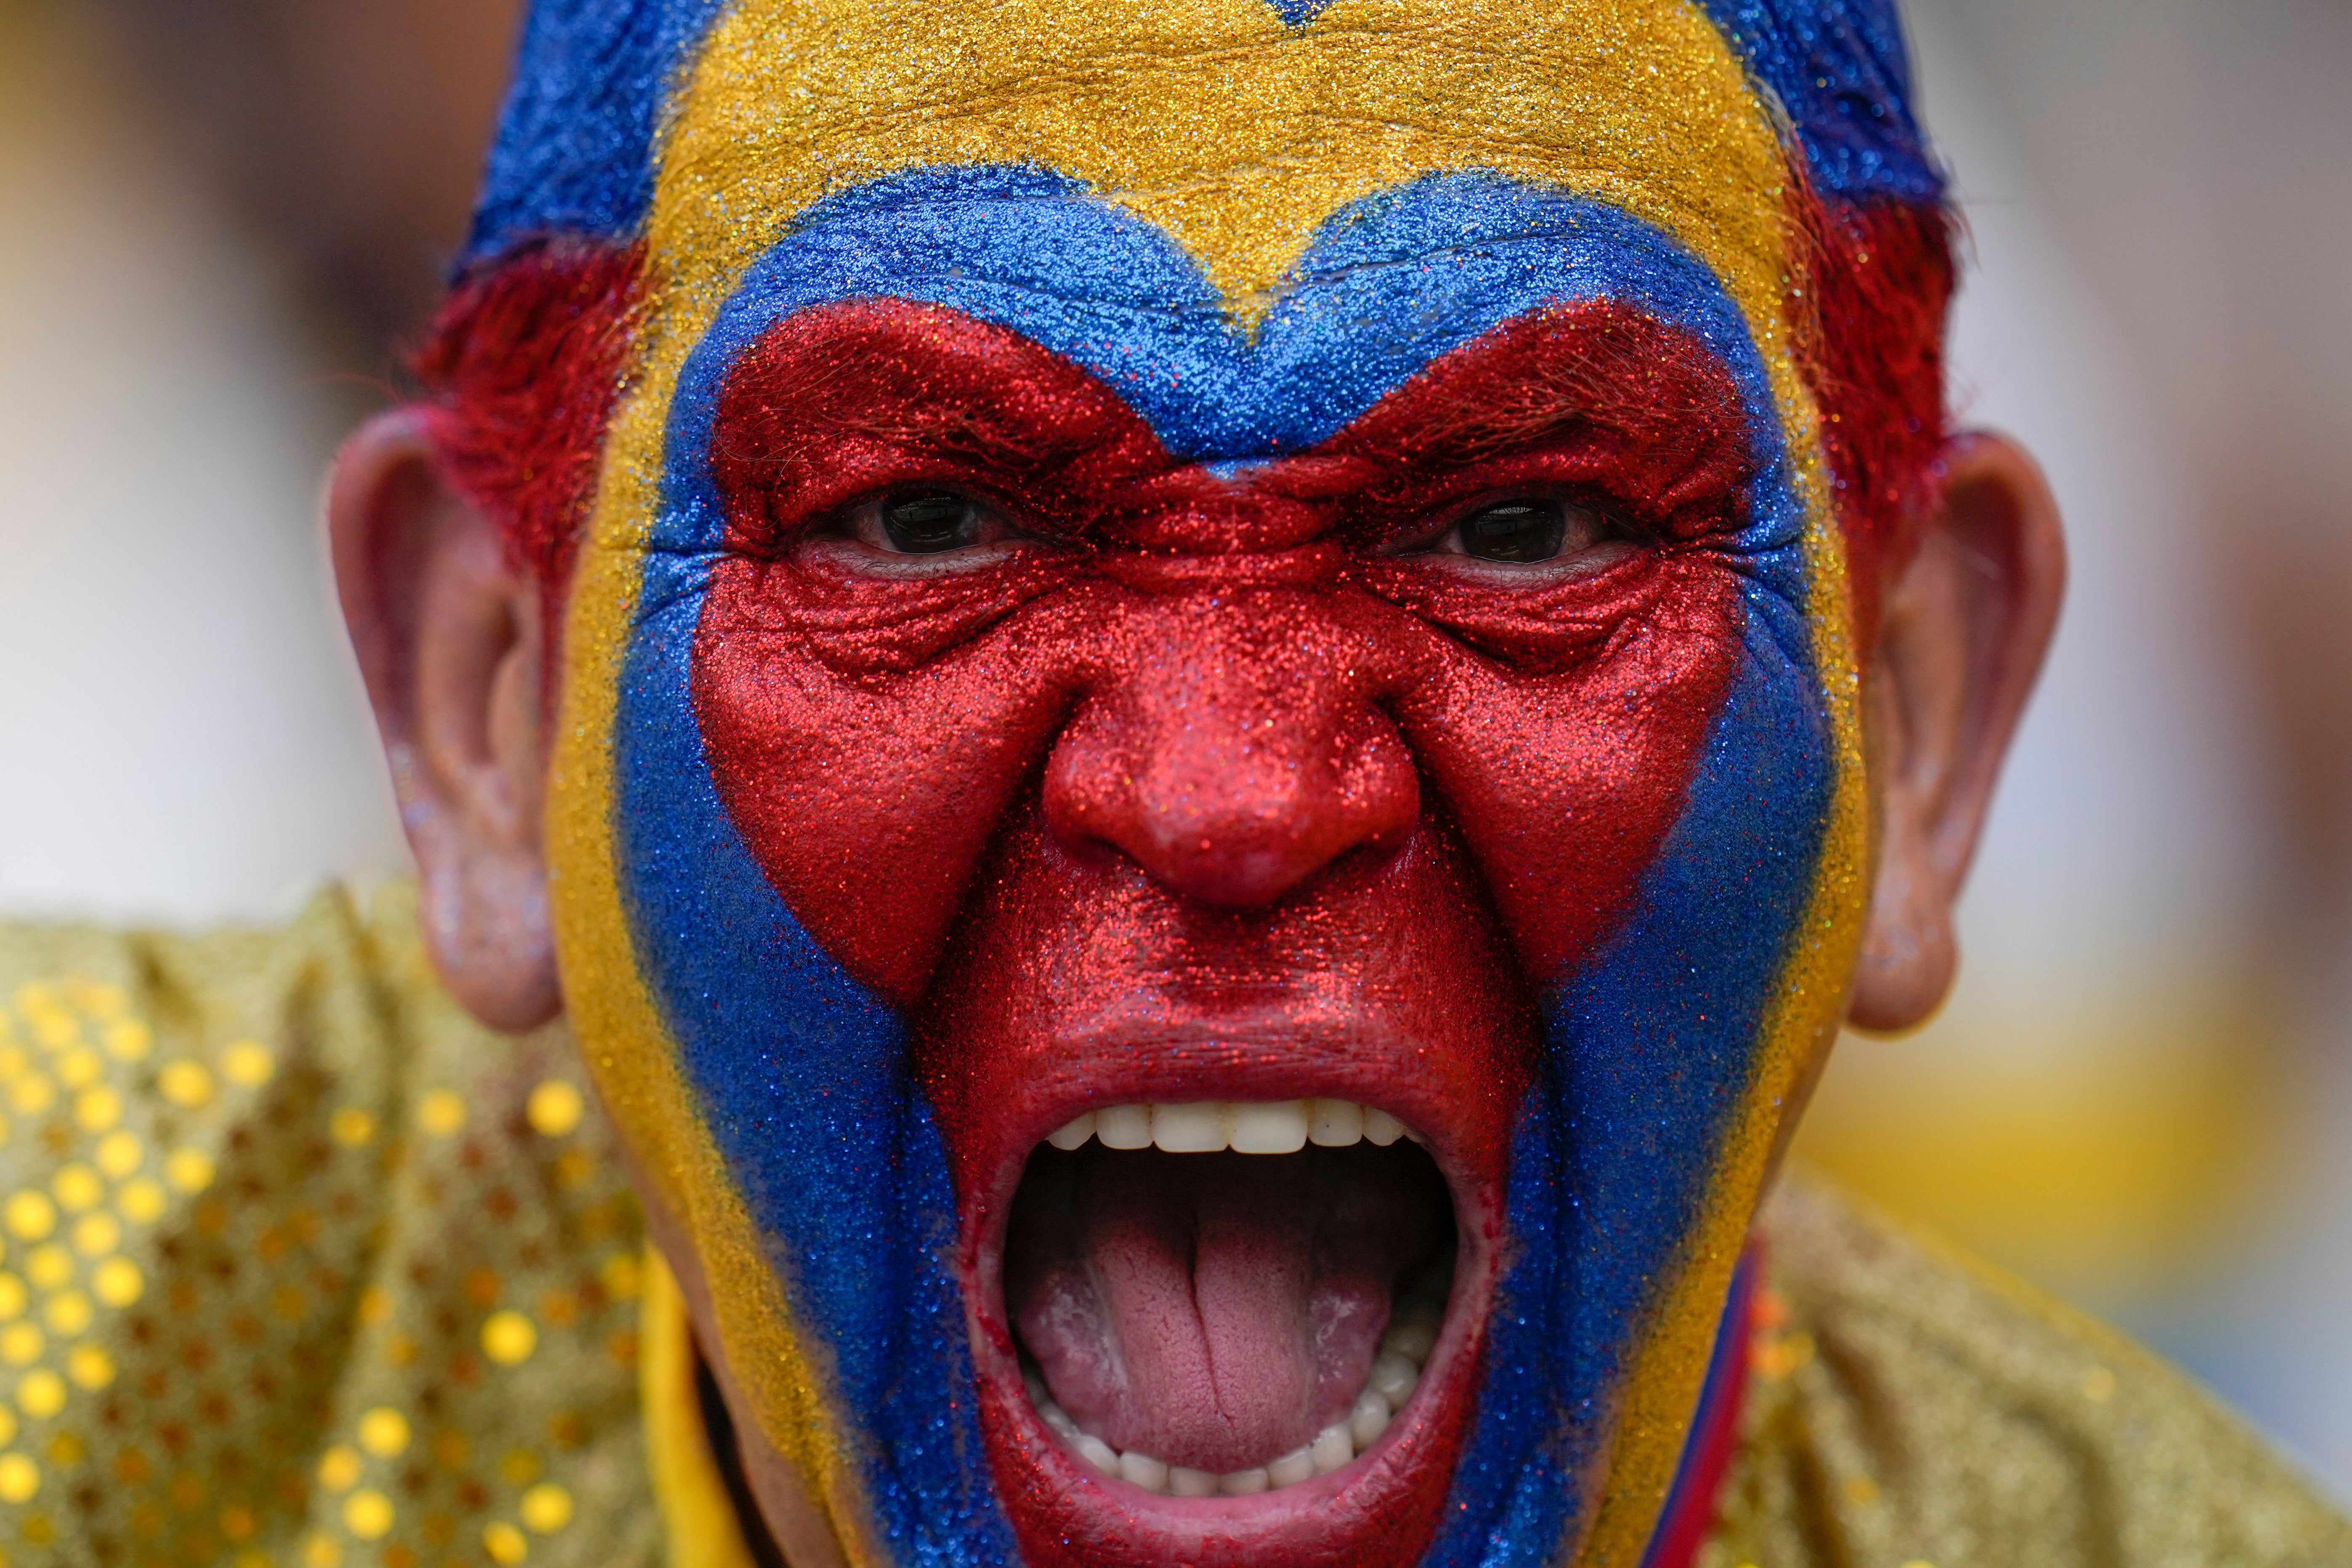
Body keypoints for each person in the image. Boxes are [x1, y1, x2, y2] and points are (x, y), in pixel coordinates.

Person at [0, 1, 2344, 1565]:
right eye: (922, 517)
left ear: (1917, 719)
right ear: (485, 709)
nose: (1230, 794)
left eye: (1525, 524)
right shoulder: (84, 1324)